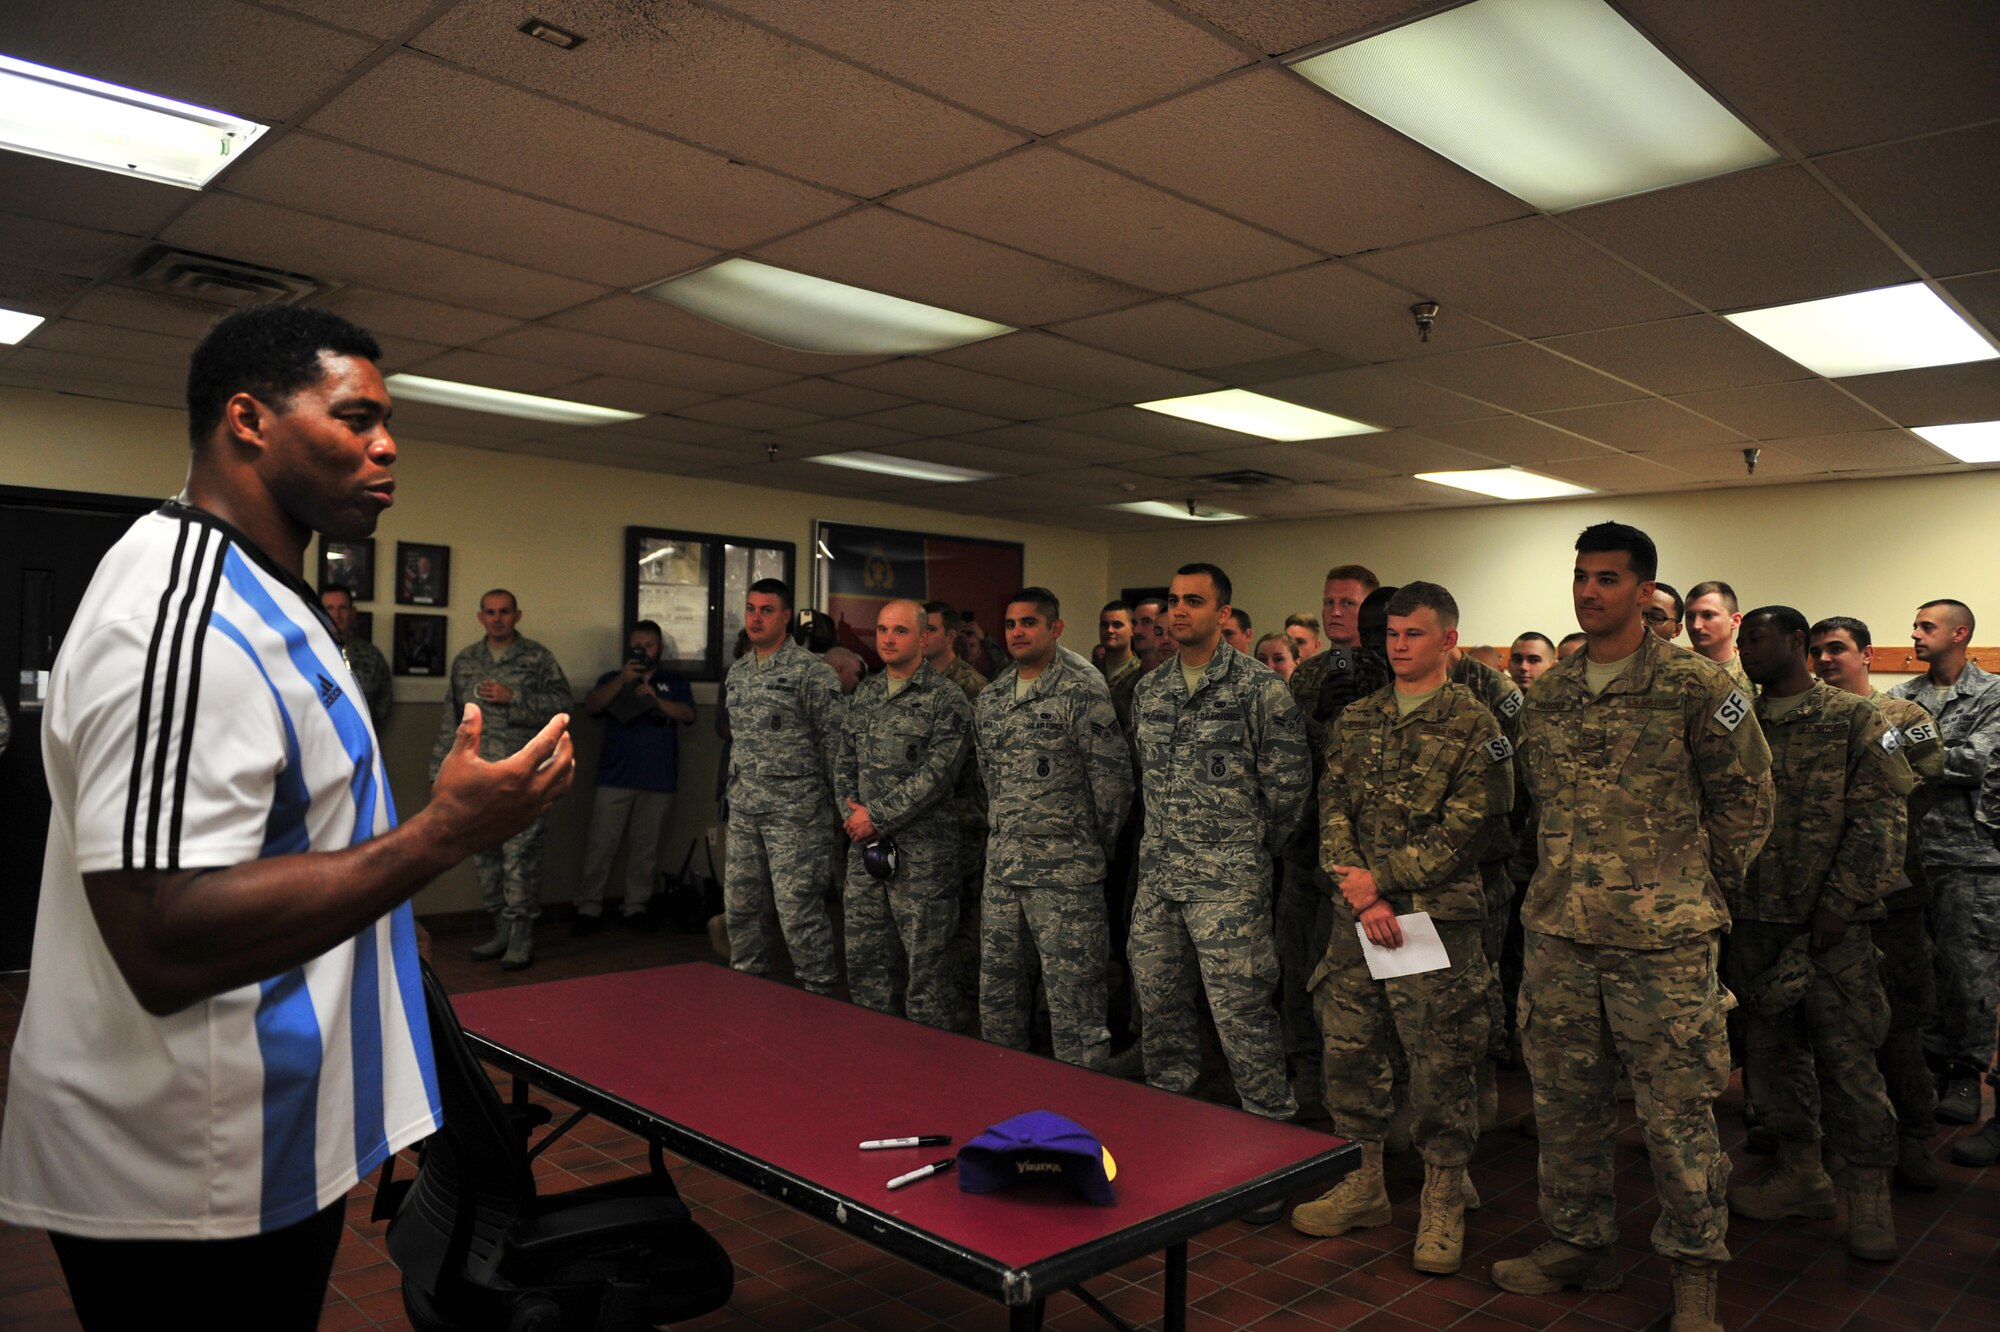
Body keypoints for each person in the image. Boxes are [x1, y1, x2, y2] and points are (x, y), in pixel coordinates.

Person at [0, 305, 573, 1329]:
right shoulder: (178, 620)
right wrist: (440, 838)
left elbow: (296, 833)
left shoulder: (264, 590)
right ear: (249, 420)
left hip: (263, 1131)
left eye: (388, 421)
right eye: (355, 418)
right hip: (186, 1167)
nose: (388, 444)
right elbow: (164, 933)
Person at [1493, 523, 1772, 1332]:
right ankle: (1579, 1244)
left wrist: (1688, 889)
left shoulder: (1694, 687)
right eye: (1581, 576)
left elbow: (1748, 805)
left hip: (1664, 945)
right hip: (1560, 936)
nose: (1589, 591)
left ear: (1645, 592)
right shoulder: (1547, 693)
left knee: (1679, 1116)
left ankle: (1694, 1273)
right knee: (1566, 1106)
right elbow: (1539, 806)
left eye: (1608, 579)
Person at [1290, 583, 1511, 1275]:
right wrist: (1359, 893)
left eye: (1413, 634)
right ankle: (1364, 1182)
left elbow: (1470, 829)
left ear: (1447, 639)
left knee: (1439, 1059)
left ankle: (1443, 1193)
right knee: (1350, 1048)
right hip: (1357, 916)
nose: (1398, 645)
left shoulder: (1476, 726)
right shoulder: (1357, 719)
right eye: (1391, 634)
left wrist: (1380, 882)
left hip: (1428, 919)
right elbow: (1331, 812)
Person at [1728, 606, 1910, 1260]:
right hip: (1754, 923)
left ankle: (1868, 1199)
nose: (1745, 647)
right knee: (1772, 1064)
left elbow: (1881, 822)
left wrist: (1840, 902)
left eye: (1758, 637)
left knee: (1849, 1062)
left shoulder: (1857, 718)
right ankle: (1802, 1177)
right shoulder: (1734, 718)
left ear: (1797, 642)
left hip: (1832, 928)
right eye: (1742, 638)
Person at [1129, 563, 1308, 1156]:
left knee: (1242, 1017)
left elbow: (1287, 792)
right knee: (1159, 1008)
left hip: (1228, 886)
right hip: (1159, 881)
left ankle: (1269, 1140)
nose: (1179, 611)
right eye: (1174, 600)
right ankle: (1168, 1123)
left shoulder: (1260, 689)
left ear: (1223, 614)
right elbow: (1146, 782)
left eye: (1194, 601)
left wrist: (1243, 852)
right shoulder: (1150, 689)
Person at [1811, 616, 1948, 1187]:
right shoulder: (1808, 719)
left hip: (1894, 896)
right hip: (1826, 898)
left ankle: (1915, 1135)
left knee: (1898, 1025)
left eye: (1837, 649)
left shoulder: (1904, 717)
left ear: (1867, 655)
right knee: (1834, 1028)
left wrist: (1846, 811)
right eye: (1816, 650)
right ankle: (1844, 1137)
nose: (1825, 659)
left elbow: (1921, 781)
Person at [975, 588, 1133, 1068]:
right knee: (999, 995)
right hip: (1004, 872)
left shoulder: (1082, 688)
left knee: (1075, 1005)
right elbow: (989, 781)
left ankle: (1082, 1109)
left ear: (1055, 628)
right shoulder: (993, 696)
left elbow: (1113, 784)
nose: (1017, 632)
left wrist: (1086, 845)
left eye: (1028, 623)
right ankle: (1005, 1094)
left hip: (1066, 875)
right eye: (1010, 624)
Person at [1887, 598, 2000, 1166]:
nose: (1915, 634)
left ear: (1959, 634)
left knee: (1966, 968)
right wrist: (1924, 753)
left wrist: (1910, 751)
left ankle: (1965, 1071)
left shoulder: (1991, 694)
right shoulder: (1902, 697)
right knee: (1919, 964)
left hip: (1971, 856)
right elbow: (1876, 751)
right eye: (1914, 626)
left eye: (1926, 626)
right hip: (1910, 853)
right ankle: (1927, 1065)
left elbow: (1974, 762)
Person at [836, 599, 972, 1028]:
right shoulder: (866, 693)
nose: (888, 639)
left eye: (900, 631)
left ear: (924, 637)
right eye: (881, 630)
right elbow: (843, 763)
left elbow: (937, 776)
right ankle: (874, 1056)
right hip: (865, 850)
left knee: (926, 971)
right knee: (866, 960)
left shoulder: (947, 698)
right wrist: (852, 813)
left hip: (923, 857)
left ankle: (931, 1070)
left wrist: (877, 815)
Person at [1282, 563, 1384, 1111]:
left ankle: (1376, 1091)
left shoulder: (1397, 670)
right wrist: (1320, 717)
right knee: (1299, 966)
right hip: (1308, 847)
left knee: (1374, 981)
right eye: (1329, 603)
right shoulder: (1309, 674)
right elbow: (1290, 758)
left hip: (1374, 860)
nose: (1337, 613)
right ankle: (1307, 1077)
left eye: (1348, 603)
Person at [430, 589, 573, 970]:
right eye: (490, 612)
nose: (497, 618)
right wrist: (438, 772)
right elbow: (451, 719)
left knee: (519, 861)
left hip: (522, 778)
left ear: (517, 615)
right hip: (478, 780)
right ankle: (501, 932)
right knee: (487, 859)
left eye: (504, 612)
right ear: (480, 617)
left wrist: (516, 698)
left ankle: (521, 939)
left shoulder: (536, 658)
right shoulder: (465, 662)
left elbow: (563, 703)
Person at [722, 578, 845, 995]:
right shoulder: (738, 671)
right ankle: (747, 986)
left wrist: (842, 810)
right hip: (744, 808)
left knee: (798, 913)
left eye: (767, 610)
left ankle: (819, 993)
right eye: (751, 609)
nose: (756, 618)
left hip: (796, 813)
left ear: (786, 616)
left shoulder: (812, 673)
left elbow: (835, 747)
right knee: (740, 907)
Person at [1446, 636, 1525, 1127]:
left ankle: (1479, 1092)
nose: (1397, 645)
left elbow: (1518, 783)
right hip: (1409, 882)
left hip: (1481, 869)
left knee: (1476, 989)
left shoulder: (1492, 691)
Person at [573, 620, 696, 933]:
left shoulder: (674, 682)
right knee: (600, 846)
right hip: (615, 777)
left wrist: (655, 699)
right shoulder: (611, 679)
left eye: (649, 645)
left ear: (660, 649)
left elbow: (688, 715)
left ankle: (636, 907)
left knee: (645, 849)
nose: (642, 650)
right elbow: (592, 707)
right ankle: (589, 907)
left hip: (658, 779)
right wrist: (623, 681)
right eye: (637, 645)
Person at [923, 599, 989, 1029]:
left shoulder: (971, 686)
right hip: (922, 824)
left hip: (962, 820)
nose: (920, 635)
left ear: (949, 636)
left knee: (963, 922)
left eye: (928, 628)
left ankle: (963, 1003)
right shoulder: (911, 681)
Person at [319, 584, 390, 727]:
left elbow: (383, 703)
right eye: (329, 608)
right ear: (319, 612)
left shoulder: (372, 656)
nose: (336, 615)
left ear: (353, 613)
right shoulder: (306, 655)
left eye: (342, 608)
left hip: (360, 741)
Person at [1686, 580, 1752, 693]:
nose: (1696, 625)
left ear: (1735, 621)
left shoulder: (1755, 673)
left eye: (1708, 615)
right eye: (1690, 616)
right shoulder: (1669, 672)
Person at [1098, 599, 1143, 734]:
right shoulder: (1088, 673)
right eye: (1104, 625)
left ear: (1132, 629)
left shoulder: (1143, 674)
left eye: (1117, 625)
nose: (1109, 630)